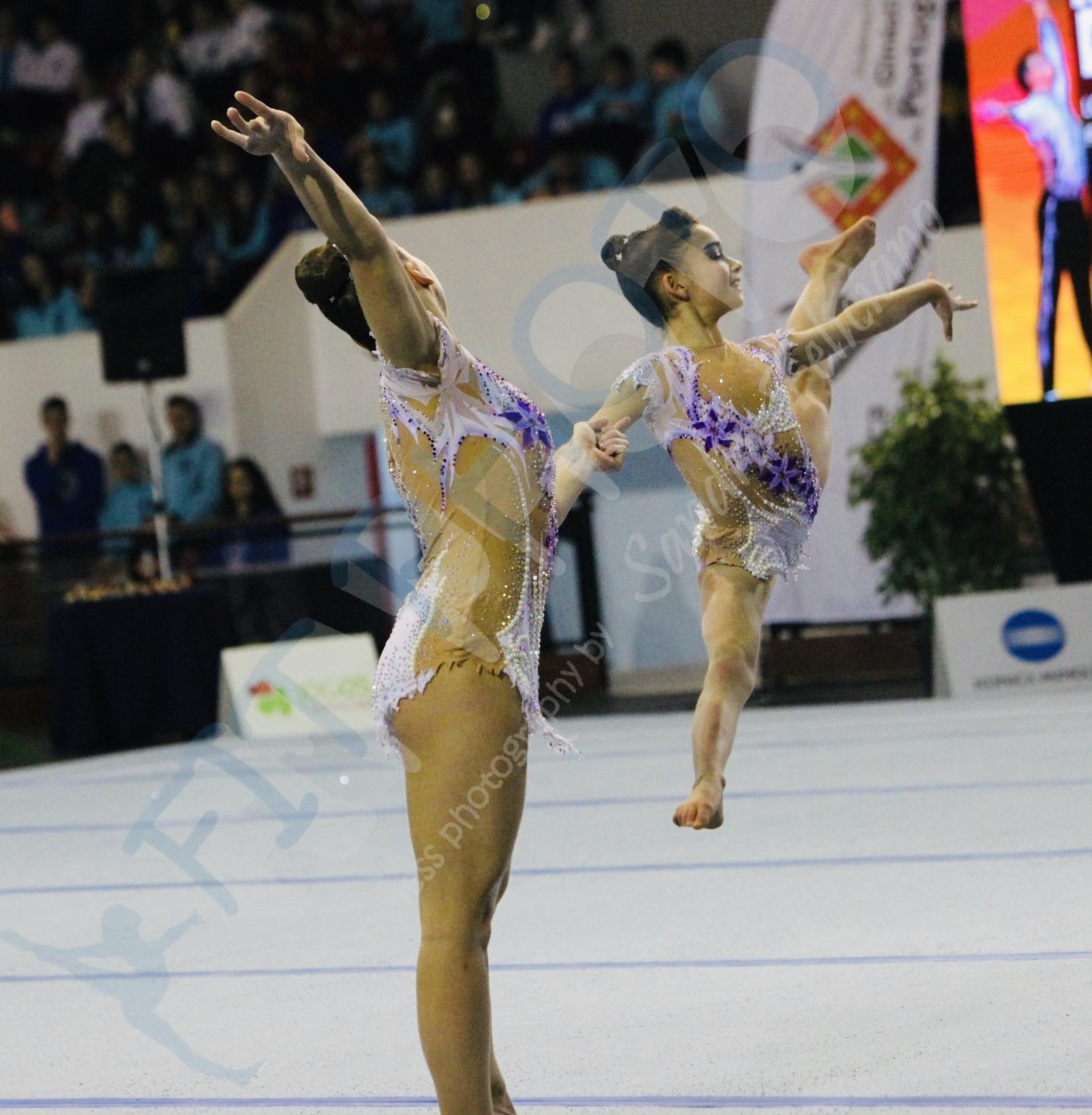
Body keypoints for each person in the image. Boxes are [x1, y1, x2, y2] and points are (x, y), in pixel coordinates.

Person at [211, 90, 628, 1115]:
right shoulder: (420, 359)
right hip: (463, 666)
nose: (404, 260)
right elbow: (362, 249)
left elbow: (517, 520)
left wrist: (574, 456)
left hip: (458, 657)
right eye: (395, 262)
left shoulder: (462, 391)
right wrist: (301, 160)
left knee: (472, 920)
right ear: (402, 282)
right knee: (454, 924)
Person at [590, 207, 976, 830]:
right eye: (715, 254)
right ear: (675, 284)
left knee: (811, 388)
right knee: (732, 666)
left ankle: (827, 267)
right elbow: (602, 424)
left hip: (795, 497)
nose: (734, 262)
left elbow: (853, 323)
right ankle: (707, 782)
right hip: (733, 549)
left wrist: (926, 290)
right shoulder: (656, 374)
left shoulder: (763, 352)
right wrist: (603, 445)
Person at [975, 0, 1092, 401]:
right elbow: (1011, 110)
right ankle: (1048, 386)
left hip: (1077, 209)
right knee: (1051, 298)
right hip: (1056, 210)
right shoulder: (1036, 108)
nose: (1049, 63)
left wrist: (1041, 9)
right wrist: (994, 109)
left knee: (1083, 291)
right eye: (1041, 63)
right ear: (1030, 75)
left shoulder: (1057, 95)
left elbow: (1053, 41)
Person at [24, 395, 105, 541]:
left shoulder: (90, 460)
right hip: (53, 546)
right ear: (44, 424)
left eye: (60, 420)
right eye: (51, 422)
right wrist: (52, 463)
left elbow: (94, 501)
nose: (56, 427)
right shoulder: (34, 465)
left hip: (85, 541)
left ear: (67, 421)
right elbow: (44, 497)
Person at [161, 394, 225, 525]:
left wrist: (181, 519)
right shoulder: (166, 455)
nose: (177, 423)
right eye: (173, 418)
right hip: (171, 531)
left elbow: (210, 495)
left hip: (199, 529)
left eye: (182, 417)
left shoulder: (209, 451)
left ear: (193, 418)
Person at [215, 455, 289, 566]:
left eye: (242, 481)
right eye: (232, 482)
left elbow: (278, 557)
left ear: (253, 481)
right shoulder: (223, 519)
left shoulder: (270, 517)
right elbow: (216, 556)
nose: (237, 487)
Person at [98, 441, 154, 562]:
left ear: (134, 464)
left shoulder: (150, 492)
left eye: (127, 462)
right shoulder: (109, 501)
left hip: (149, 554)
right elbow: (107, 536)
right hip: (122, 559)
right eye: (119, 464)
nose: (124, 468)